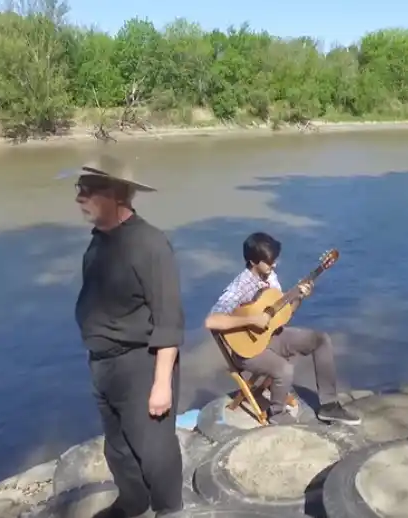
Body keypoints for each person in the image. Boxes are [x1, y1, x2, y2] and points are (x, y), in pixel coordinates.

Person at [63, 155, 185, 518]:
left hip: (141, 364)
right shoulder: (100, 240)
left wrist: (161, 384)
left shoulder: (150, 244)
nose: (79, 197)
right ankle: (133, 503)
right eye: (79, 188)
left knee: (155, 450)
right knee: (117, 448)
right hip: (103, 365)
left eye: (88, 189)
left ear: (116, 194)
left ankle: (169, 510)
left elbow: (168, 318)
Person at [204, 232, 361, 426]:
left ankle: (329, 406)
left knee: (320, 340)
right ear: (253, 262)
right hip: (247, 352)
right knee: (284, 369)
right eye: (269, 262)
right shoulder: (239, 287)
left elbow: (283, 315)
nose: (274, 265)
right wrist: (253, 319)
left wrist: (299, 297)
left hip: (271, 336)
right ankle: (277, 414)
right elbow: (212, 321)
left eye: (275, 260)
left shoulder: (271, 278)